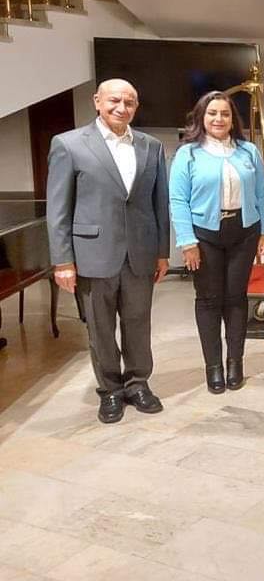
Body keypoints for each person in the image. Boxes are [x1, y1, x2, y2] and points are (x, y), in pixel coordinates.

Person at [46, 79, 169, 423]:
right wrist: (63, 261)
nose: (121, 107)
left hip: (140, 253)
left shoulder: (151, 146)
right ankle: (111, 390)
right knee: (100, 328)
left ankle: (138, 383)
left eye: (129, 102)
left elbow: (159, 204)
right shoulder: (69, 144)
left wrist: (161, 252)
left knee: (138, 323)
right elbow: (58, 209)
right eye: (114, 100)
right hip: (92, 254)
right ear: (97, 101)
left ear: (136, 107)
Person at [169, 91, 264, 394]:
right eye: (212, 113)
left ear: (232, 119)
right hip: (204, 236)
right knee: (209, 300)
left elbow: (262, 193)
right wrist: (187, 242)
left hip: (245, 231)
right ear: (202, 117)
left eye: (225, 113)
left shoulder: (248, 151)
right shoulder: (187, 154)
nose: (219, 119)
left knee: (236, 298)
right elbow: (178, 200)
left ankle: (235, 362)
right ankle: (213, 366)